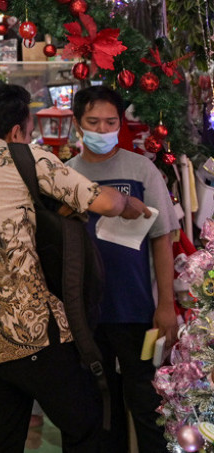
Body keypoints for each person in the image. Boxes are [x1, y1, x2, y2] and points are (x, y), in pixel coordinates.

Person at [0, 81, 153, 453]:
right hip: (31, 332)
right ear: (19, 129)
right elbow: (101, 201)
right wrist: (130, 204)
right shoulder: (24, 156)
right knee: (88, 427)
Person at [68, 85, 179, 453]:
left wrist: (165, 305)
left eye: (110, 122)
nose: (102, 130)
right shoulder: (66, 176)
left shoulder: (142, 169)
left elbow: (162, 240)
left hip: (137, 315)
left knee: (147, 406)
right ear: (77, 124)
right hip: (87, 317)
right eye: (93, 122)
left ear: (121, 123)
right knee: (102, 411)